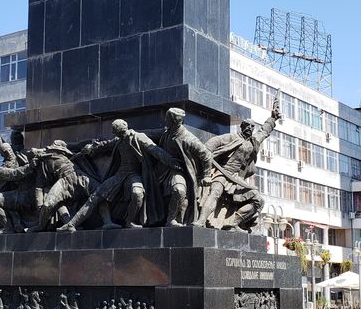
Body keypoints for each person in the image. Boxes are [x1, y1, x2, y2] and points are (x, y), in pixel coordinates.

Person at [58, 118, 181, 231]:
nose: (114, 134)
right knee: (95, 197)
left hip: (134, 174)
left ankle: (129, 222)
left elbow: (155, 150)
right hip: (120, 174)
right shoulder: (118, 140)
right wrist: (91, 148)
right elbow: (105, 145)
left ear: (120, 130)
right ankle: (71, 224)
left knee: (137, 193)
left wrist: (171, 161)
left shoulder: (139, 137)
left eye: (115, 131)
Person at [199, 98, 282, 230]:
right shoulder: (232, 138)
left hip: (237, 179)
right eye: (247, 126)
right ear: (241, 126)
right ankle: (200, 221)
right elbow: (212, 143)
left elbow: (264, 132)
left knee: (258, 201)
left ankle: (232, 223)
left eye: (252, 127)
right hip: (222, 173)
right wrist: (207, 154)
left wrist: (273, 118)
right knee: (214, 193)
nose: (250, 128)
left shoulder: (253, 142)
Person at [147, 107, 213, 225]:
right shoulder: (166, 132)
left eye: (167, 118)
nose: (165, 120)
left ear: (174, 121)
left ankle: (171, 219)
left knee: (179, 191)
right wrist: (134, 133)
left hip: (179, 171)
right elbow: (151, 133)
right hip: (161, 171)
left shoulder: (188, 139)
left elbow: (207, 155)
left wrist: (207, 175)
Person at [0, 111, 37, 232]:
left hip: (23, 194)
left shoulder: (21, 155)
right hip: (14, 191)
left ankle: (10, 227)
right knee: (1, 202)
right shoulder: (21, 153)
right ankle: (13, 226)